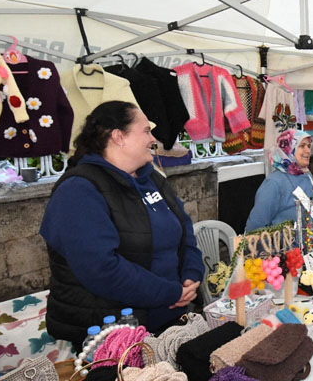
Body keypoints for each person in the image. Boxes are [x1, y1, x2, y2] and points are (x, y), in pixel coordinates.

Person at [41, 101, 204, 350]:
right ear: (119, 137)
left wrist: (191, 276)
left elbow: (185, 232)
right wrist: (170, 293)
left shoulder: (152, 179)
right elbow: (101, 269)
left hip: (169, 319)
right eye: (146, 131)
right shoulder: (78, 190)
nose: (153, 139)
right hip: (111, 336)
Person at [245, 128, 313, 231]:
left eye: (309, 146)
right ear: (288, 149)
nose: (308, 151)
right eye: (302, 146)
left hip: (309, 239)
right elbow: (254, 228)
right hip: (283, 241)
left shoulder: (307, 175)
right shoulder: (273, 183)